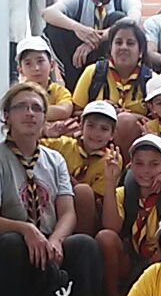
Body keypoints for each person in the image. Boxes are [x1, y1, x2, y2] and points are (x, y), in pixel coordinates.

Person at [0, 82, 102, 296]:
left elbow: (68, 213)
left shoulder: (55, 160)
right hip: (15, 242)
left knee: (85, 245)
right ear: (7, 116)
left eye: (37, 108)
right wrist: (26, 230)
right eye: (21, 107)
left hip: (49, 240)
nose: (30, 113)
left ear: (44, 117)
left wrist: (55, 239)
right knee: (12, 245)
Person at [96, 134, 161, 296]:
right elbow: (111, 226)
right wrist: (109, 182)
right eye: (139, 163)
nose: (146, 170)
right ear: (130, 166)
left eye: (154, 164)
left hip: (160, 257)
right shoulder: (124, 192)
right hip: (130, 256)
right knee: (105, 237)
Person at [43, 0, 143, 88]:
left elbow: (134, 18)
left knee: (119, 19)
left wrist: (94, 41)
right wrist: (77, 28)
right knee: (54, 26)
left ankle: (114, 84)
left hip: (111, 61)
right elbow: (47, 13)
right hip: (79, 62)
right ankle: (73, 85)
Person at [71, 19, 153, 156]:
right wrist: (100, 110)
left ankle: (125, 173)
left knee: (125, 121)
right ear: (111, 48)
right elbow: (75, 113)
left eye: (131, 43)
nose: (124, 47)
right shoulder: (93, 72)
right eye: (118, 42)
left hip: (138, 150)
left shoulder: (151, 79)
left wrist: (130, 117)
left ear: (141, 51)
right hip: (95, 140)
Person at [43, 99, 119, 235]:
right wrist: (46, 133)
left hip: (85, 212)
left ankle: (80, 242)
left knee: (83, 192)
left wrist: (65, 176)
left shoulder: (111, 159)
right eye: (91, 126)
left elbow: (96, 199)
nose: (96, 133)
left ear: (112, 135)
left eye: (104, 129)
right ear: (81, 125)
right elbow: (30, 147)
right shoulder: (62, 144)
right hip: (53, 202)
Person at [15, 35, 73, 121]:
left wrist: (29, 112)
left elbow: (65, 111)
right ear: (20, 70)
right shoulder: (17, 93)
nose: (36, 68)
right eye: (28, 63)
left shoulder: (59, 91)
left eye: (40, 61)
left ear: (52, 65)